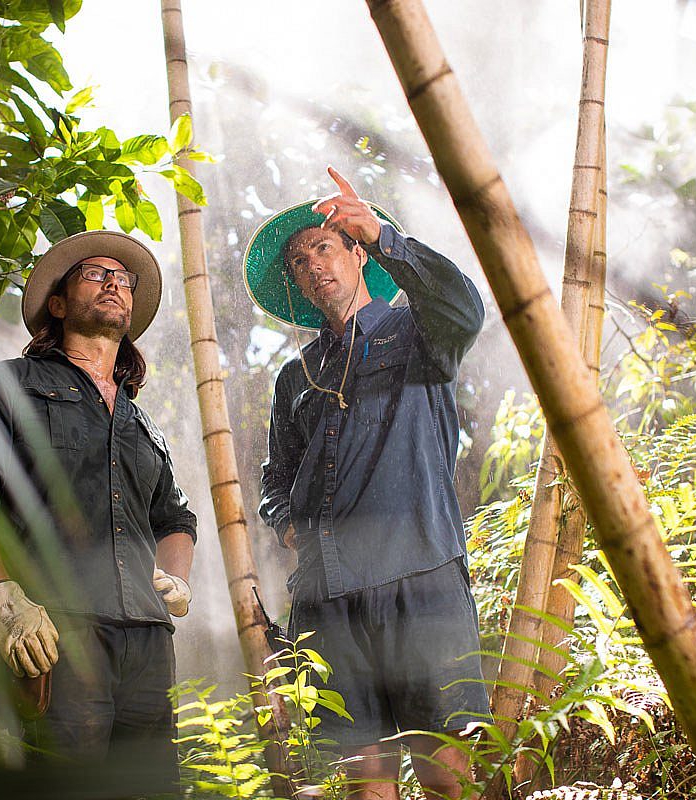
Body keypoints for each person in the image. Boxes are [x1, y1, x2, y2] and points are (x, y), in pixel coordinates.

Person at [247, 167, 491, 799]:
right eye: (299, 262)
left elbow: (465, 308)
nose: (311, 265)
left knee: (446, 771)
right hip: (328, 598)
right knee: (364, 781)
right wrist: (288, 524)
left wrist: (386, 235)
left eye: (323, 247)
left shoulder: (416, 333)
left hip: (420, 578)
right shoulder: (295, 376)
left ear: (356, 255)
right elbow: (275, 479)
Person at [0, 230, 197, 792]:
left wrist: (175, 578)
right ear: (57, 305)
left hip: (150, 646)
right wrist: (2, 599)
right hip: (58, 632)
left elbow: (176, 519)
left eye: (123, 279)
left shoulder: (142, 423)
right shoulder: (7, 386)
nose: (114, 282)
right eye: (95, 274)